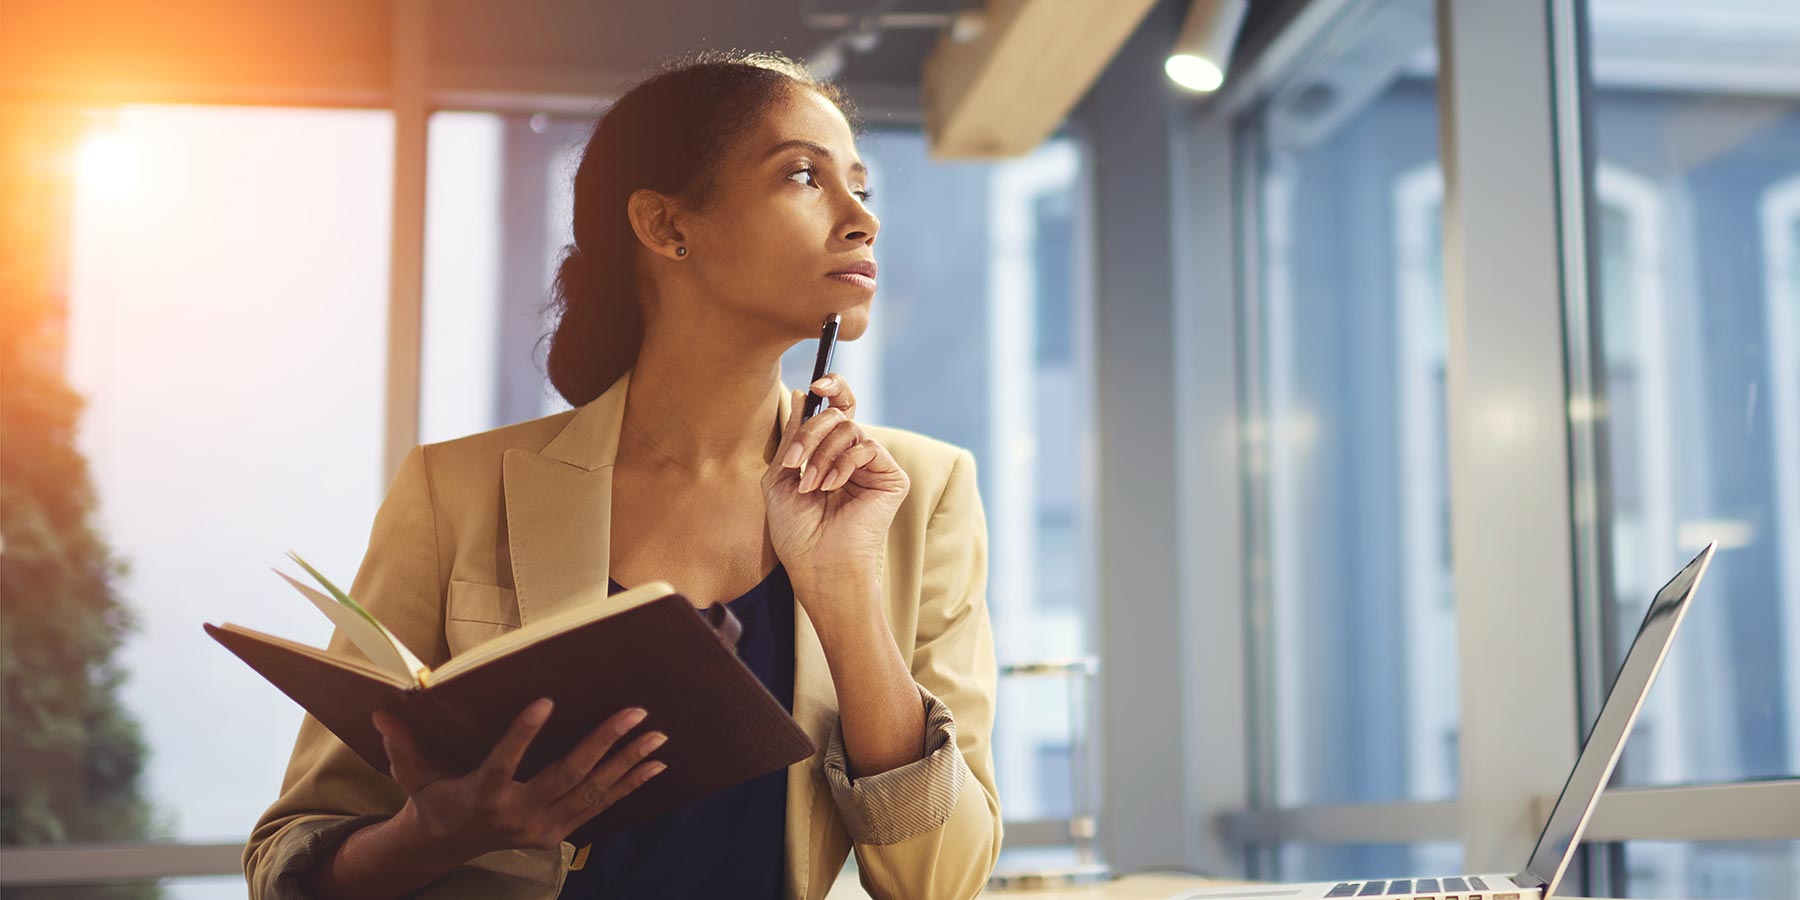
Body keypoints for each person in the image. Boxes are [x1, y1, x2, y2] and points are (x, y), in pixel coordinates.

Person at [240, 48, 1002, 900]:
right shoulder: (453, 492)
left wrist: (847, 596)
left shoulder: (919, 494)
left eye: (862, 186)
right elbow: (288, 864)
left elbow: (945, 881)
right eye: (802, 175)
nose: (862, 218)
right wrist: (430, 836)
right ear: (667, 225)